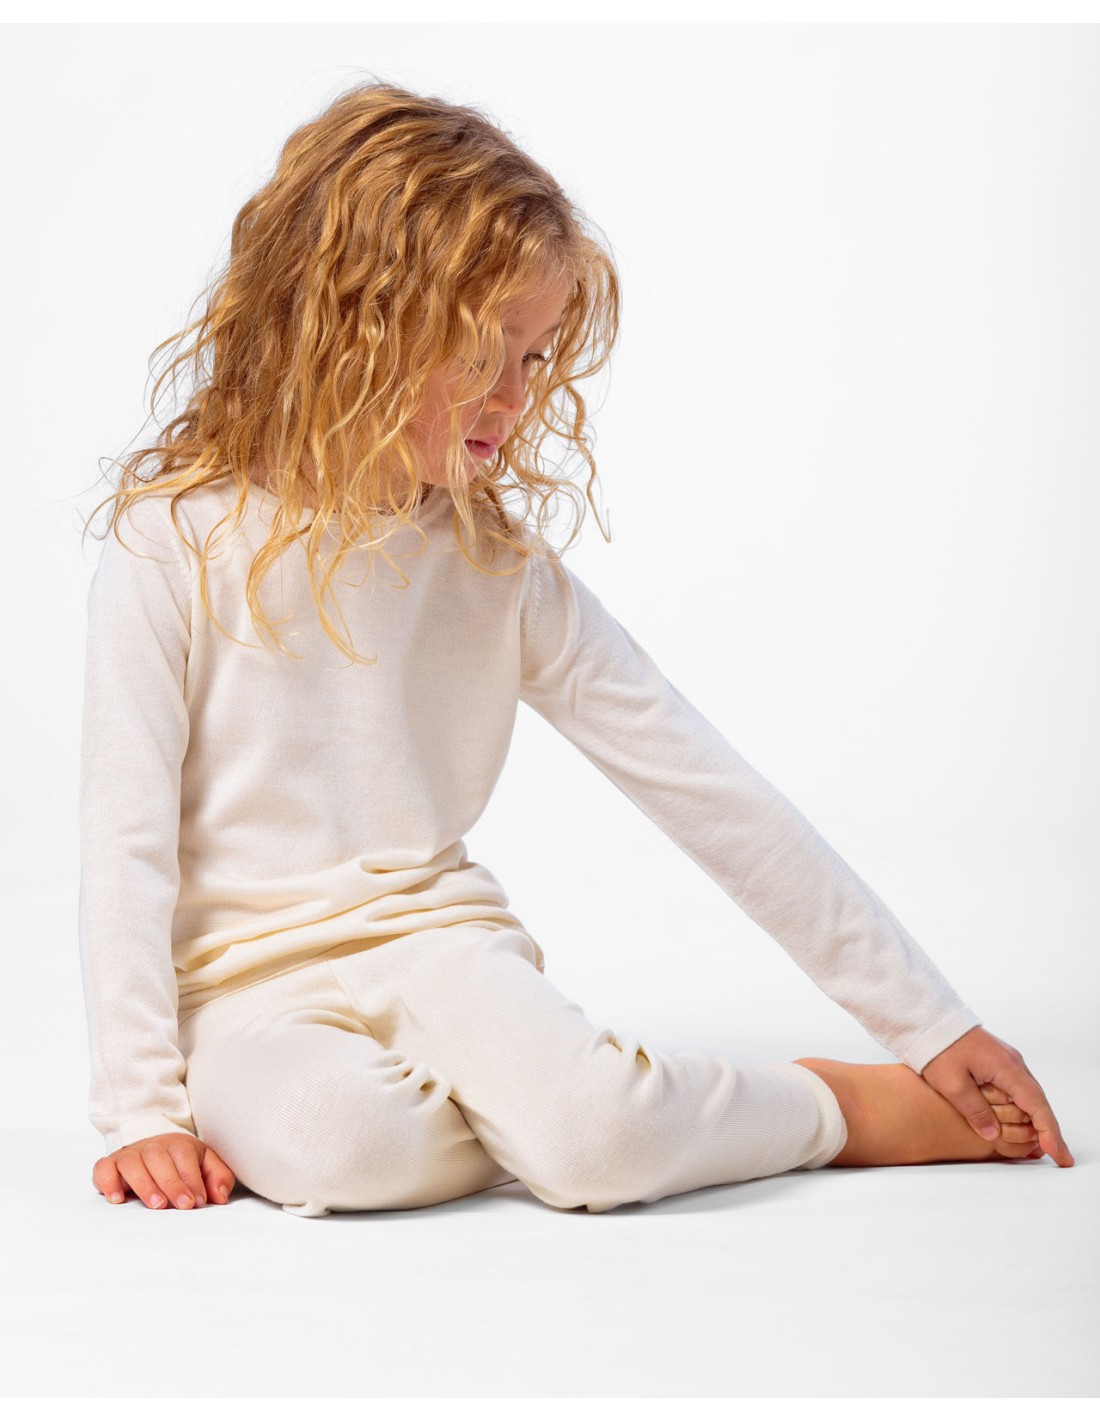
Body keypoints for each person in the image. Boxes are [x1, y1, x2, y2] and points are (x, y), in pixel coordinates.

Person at [79, 78, 1073, 1220]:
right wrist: (142, 1107)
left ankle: (831, 1108)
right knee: (344, 1151)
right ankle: (562, 1111)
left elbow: (700, 782)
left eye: (536, 357)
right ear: (353, 325)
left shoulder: (492, 566)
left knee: (596, 1143)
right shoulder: (172, 540)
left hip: (437, 944)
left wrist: (929, 1024)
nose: (515, 398)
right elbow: (124, 842)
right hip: (240, 987)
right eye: (483, 353)